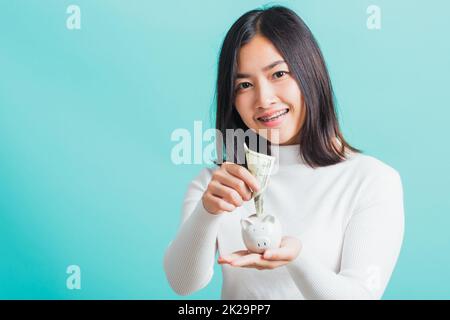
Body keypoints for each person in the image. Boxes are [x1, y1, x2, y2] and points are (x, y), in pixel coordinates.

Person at [164, 5, 404, 299]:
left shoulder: (372, 180)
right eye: (244, 84)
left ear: (310, 74)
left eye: (278, 73)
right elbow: (182, 283)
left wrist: (296, 258)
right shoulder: (217, 186)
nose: (264, 99)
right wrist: (207, 212)